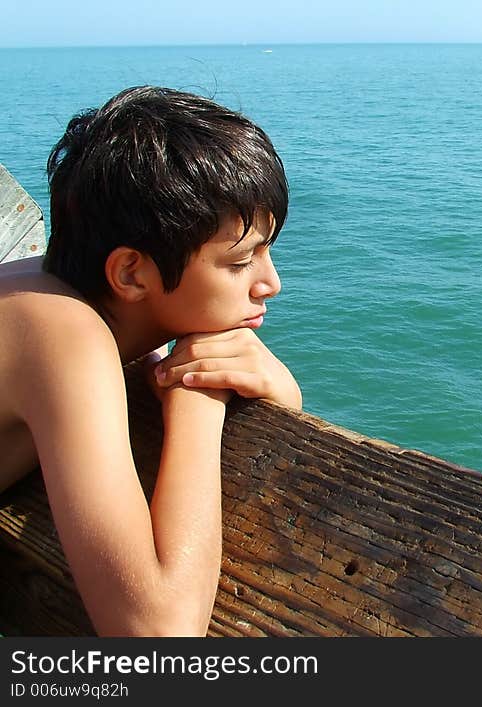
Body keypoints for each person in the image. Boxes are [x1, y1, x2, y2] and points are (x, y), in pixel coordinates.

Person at [0, 86, 302, 636]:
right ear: (132, 274)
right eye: (239, 262)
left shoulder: (36, 286)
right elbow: (157, 635)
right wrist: (197, 399)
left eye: (267, 250)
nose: (271, 284)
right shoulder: (64, 336)